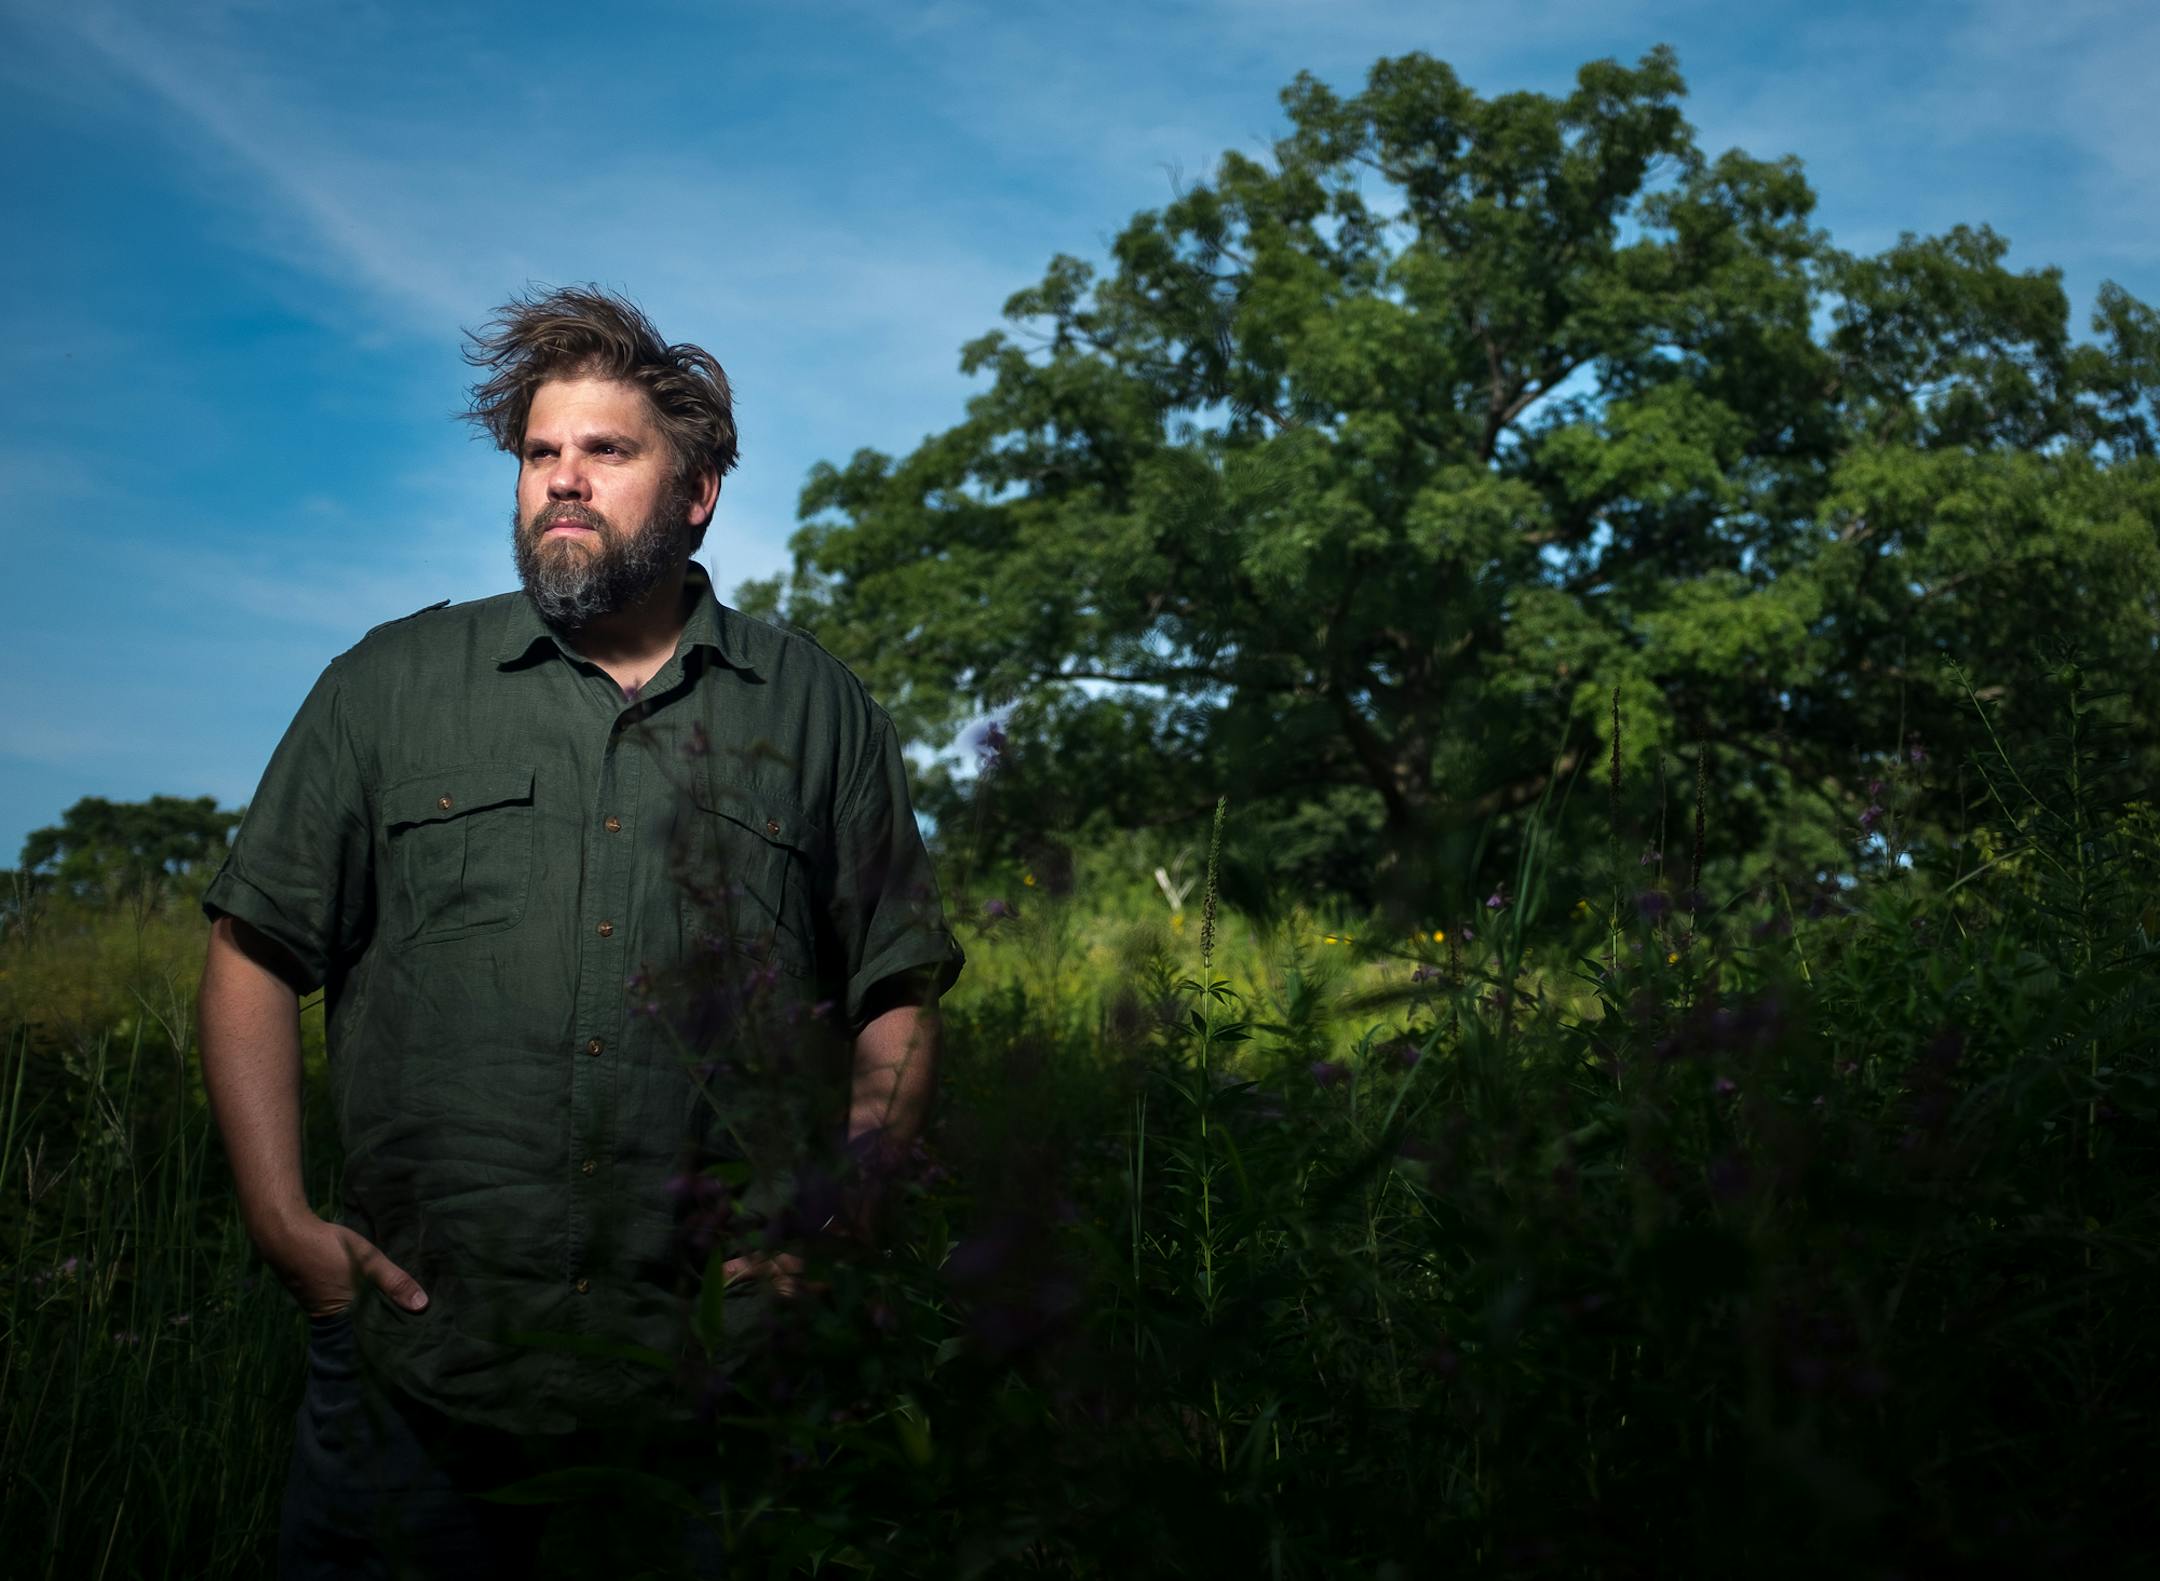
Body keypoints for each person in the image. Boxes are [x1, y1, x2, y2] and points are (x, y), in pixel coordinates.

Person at [195, 285, 966, 1577]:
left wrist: (835, 1232)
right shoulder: (388, 684)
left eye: (606, 452)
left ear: (698, 490)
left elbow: (896, 989)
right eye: (540, 454)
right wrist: (286, 1225)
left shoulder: (819, 709)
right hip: (414, 1374)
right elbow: (254, 946)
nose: (562, 481)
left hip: (712, 1397)